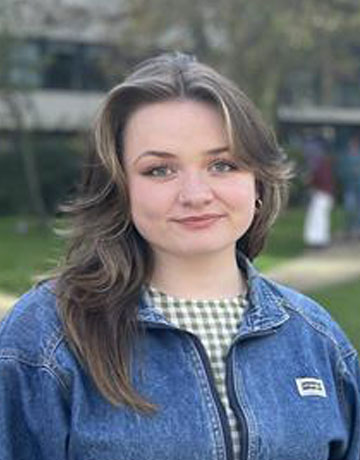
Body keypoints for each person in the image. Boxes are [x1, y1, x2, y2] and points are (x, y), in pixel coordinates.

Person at [0, 53, 359, 460]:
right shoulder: (47, 337)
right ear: (120, 187)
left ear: (257, 182)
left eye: (222, 164)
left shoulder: (316, 338)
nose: (196, 194)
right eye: (159, 170)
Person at [303, 140, 335, 248]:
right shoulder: (325, 165)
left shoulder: (320, 166)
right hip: (326, 194)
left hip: (321, 194)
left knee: (318, 218)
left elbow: (315, 180)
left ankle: (317, 240)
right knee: (321, 218)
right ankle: (320, 240)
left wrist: (310, 180)